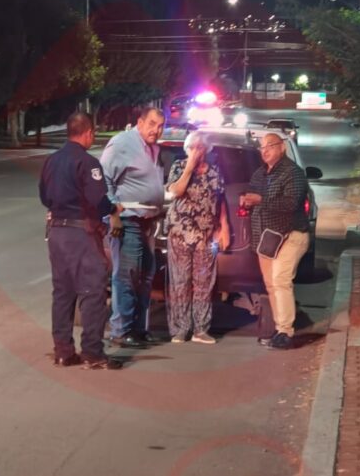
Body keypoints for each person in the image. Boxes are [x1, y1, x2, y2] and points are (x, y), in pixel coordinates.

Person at [39, 112, 124, 370]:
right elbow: (98, 200)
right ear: (88, 133)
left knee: (62, 292)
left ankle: (63, 352)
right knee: (92, 291)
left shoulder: (51, 160)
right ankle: (92, 352)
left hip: (57, 232)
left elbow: (44, 197)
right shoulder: (88, 163)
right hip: (81, 233)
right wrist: (113, 209)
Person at [100, 106, 167, 348]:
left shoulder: (152, 148)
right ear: (140, 122)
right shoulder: (122, 143)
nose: (156, 130)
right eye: (152, 124)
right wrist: (113, 212)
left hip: (148, 221)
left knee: (146, 275)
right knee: (126, 276)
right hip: (127, 220)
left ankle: (138, 329)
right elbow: (104, 178)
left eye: (160, 126)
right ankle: (120, 330)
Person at [240, 132, 310, 351]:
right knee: (271, 283)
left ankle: (286, 331)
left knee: (281, 280)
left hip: (290, 234)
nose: (265, 150)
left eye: (270, 145)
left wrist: (261, 200)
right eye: (262, 147)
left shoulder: (293, 172)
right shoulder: (259, 174)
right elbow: (252, 197)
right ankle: (279, 329)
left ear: (282, 147)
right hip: (266, 238)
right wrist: (246, 201)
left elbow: (291, 203)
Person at [164, 130, 230, 344]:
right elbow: (176, 191)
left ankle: (200, 329)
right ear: (186, 149)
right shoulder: (178, 167)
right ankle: (180, 329)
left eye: (200, 147)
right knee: (180, 281)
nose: (196, 151)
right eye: (192, 147)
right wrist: (189, 168)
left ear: (206, 150)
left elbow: (220, 200)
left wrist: (224, 227)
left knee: (204, 282)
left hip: (206, 235)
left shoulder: (215, 171)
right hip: (180, 234)